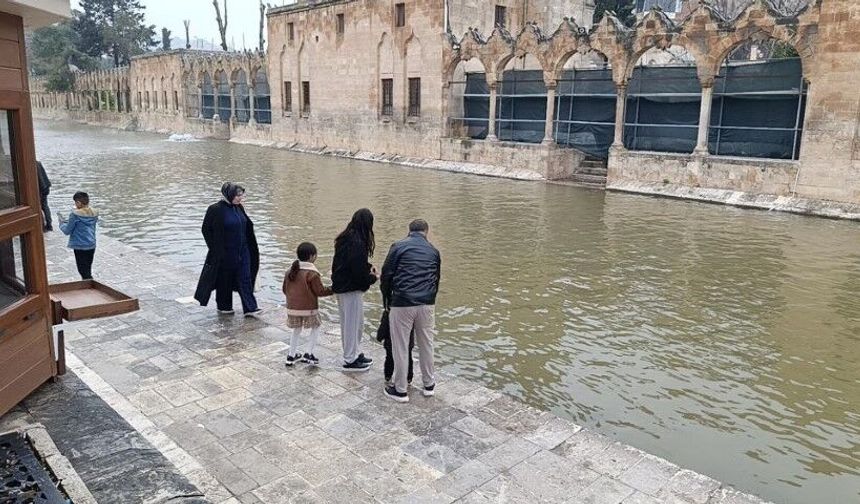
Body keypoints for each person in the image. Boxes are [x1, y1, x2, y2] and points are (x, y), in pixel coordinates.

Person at [380, 219, 441, 402]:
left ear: (409, 231)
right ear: (426, 232)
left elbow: (386, 275)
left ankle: (400, 390)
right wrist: (430, 298)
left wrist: (387, 300)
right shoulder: (433, 251)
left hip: (402, 302)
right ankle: (429, 384)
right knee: (426, 344)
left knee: (400, 345)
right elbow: (436, 278)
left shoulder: (398, 247)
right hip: (427, 303)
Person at [194, 183, 261, 316]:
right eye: (237, 195)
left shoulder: (239, 208)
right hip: (226, 252)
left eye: (241, 195)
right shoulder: (215, 209)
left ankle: (250, 308)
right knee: (225, 279)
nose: (240, 198)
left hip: (243, 251)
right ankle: (224, 306)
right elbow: (206, 229)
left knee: (245, 278)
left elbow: (246, 227)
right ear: (229, 195)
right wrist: (215, 249)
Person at [331, 208, 378, 372]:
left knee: (354, 323)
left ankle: (354, 353)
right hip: (350, 289)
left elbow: (348, 264)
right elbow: (357, 271)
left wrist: (367, 267)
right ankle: (350, 359)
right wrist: (372, 278)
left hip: (344, 286)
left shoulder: (346, 238)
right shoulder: (357, 242)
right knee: (352, 324)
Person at [283, 242, 332, 367]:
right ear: (312, 256)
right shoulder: (312, 273)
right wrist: (333, 289)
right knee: (315, 327)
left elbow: (284, 289)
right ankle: (308, 354)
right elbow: (320, 291)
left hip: (292, 308)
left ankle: (291, 356)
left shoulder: (290, 271)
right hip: (308, 308)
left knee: (296, 329)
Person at [58, 191, 98, 280]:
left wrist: (61, 223)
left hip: (80, 245)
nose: (75, 205)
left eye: (75, 202)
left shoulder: (74, 215)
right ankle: (89, 284)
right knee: (87, 268)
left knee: (83, 271)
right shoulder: (95, 213)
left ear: (78, 202)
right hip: (91, 244)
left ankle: (90, 287)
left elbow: (67, 231)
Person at [36, 161, 52, 231]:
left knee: (41, 207)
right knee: (45, 206)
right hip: (45, 186)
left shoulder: (31, 165)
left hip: (40, 189)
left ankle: (45, 227)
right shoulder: (38, 163)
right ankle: (49, 225)